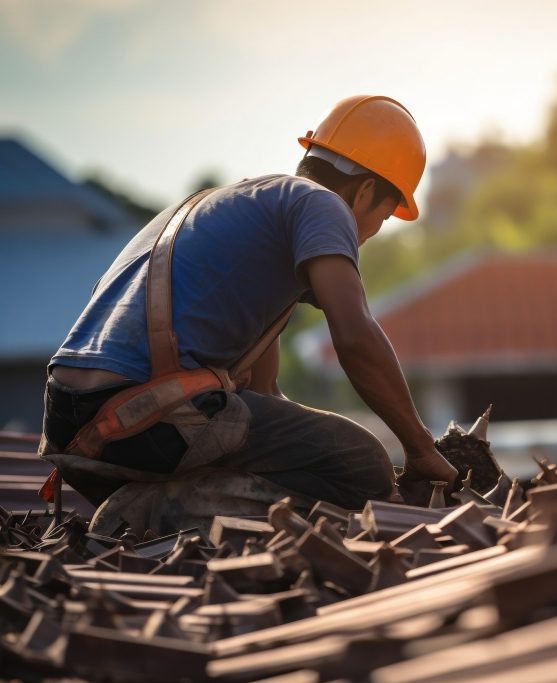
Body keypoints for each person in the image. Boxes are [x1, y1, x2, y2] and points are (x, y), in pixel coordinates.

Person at [38, 95, 457, 534]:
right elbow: (355, 336)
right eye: (384, 218)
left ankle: (161, 501)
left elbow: (265, 395)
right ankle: (160, 512)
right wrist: (420, 447)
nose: (368, 237)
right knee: (361, 461)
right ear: (366, 191)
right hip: (140, 419)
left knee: (322, 450)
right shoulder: (322, 204)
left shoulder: (235, 208)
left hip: (71, 418)